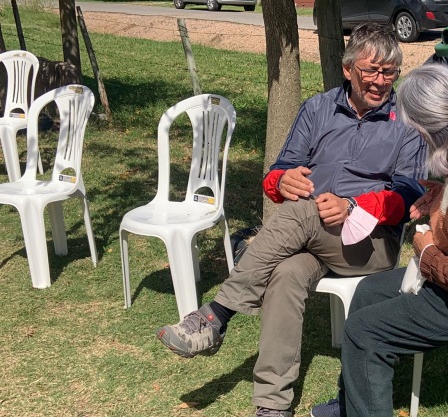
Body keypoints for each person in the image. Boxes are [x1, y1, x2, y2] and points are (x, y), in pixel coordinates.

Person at [156, 23, 427, 417]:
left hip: (370, 243)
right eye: (371, 70)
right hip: (312, 236)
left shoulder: (407, 121)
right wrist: (282, 180)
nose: (380, 82)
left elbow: (410, 195)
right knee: (285, 273)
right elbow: (277, 174)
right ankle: (272, 404)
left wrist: (356, 207)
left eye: (389, 73)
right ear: (348, 68)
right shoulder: (317, 108)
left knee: (301, 211)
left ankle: (217, 315)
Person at [310, 63, 448, 417]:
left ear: (427, 131)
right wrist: (442, 194)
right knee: (368, 291)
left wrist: (428, 251)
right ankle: (351, 405)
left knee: (363, 332)